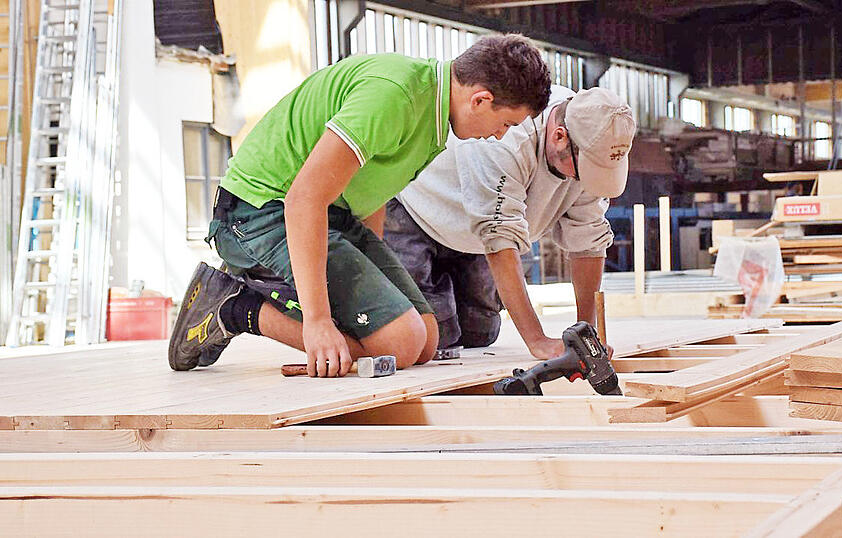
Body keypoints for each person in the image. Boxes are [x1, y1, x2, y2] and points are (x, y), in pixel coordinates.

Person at [167, 34, 552, 377]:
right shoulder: (394, 95)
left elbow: (372, 194)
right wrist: (318, 322)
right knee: (400, 342)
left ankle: (357, 329)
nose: (500, 136)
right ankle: (234, 307)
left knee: (426, 338)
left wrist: (367, 295)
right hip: (259, 212)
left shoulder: (434, 114)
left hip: (331, 213)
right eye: (505, 123)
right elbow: (303, 198)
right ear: (480, 99)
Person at [384, 85, 634, 359]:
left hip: (473, 231)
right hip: (417, 209)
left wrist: (586, 334)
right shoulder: (507, 137)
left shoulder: (591, 137)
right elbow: (500, 239)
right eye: (584, 171)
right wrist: (538, 341)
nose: (586, 182)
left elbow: (588, 242)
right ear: (559, 137)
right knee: (432, 338)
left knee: (480, 332)